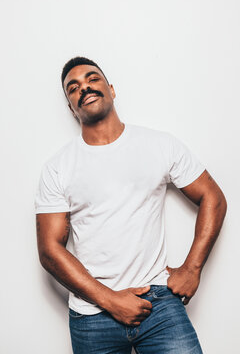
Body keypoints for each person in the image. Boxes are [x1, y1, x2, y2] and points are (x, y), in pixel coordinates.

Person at [35, 57, 227, 354]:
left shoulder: (160, 144)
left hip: (159, 304)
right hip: (91, 314)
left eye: (92, 79)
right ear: (71, 108)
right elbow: (50, 251)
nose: (84, 87)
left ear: (111, 89)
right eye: (73, 88)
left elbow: (212, 196)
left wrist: (192, 268)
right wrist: (110, 300)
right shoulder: (58, 168)